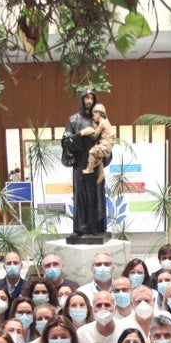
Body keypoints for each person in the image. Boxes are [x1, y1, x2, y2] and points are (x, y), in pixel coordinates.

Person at [62, 89, 108, 236]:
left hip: (96, 165)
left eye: (91, 98)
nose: (88, 101)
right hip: (80, 165)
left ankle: (95, 226)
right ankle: (80, 228)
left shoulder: (99, 120)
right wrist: (80, 134)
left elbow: (107, 138)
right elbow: (66, 140)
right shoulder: (73, 120)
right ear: (81, 100)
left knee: (95, 197)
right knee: (80, 197)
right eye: (86, 98)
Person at [80, 103, 114, 182]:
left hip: (106, 145)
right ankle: (101, 173)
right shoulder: (105, 122)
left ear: (98, 113)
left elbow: (95, 135)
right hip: (106, 144)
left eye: (94, 114)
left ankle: (89, 169)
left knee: (92, 152)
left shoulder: (102, 123)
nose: (93, 117)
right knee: (98, 158)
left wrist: (87, 131)